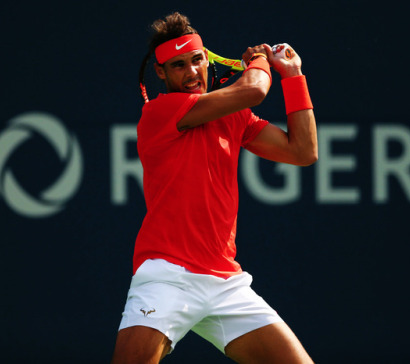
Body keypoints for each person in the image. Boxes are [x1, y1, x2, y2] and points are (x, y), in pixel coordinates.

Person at [111, 11, 317, 364]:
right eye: (178, 66)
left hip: (225, 282)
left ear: (206, 58)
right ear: (160, 73)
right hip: (167, 275)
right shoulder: (160, 113)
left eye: (196, 60)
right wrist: (258, 61)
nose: (192, 73)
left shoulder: (232, 114)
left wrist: (294, 75)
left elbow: (303, 151)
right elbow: (253, 89)